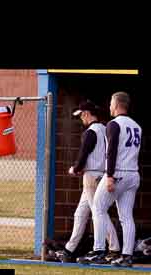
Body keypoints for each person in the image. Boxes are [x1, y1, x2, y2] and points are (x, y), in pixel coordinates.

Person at [53, 100, 117, 263]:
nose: (81, 118)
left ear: (87, 114)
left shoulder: (90, 131)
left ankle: (114, 248)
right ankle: (69, 249)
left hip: (92, 177)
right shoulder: (105, 128)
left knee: (99, 212)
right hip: (100, 174)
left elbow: (83, 155)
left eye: (82, 115)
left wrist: (75, 168)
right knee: (80, 213)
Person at [87, 91, 142, 267]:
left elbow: (111, 152)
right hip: (133, 173)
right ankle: (127, 255)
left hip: (117, 172)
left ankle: (99, 251)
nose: (109, 106)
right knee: (126, 216)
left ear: (117, 104)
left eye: (111, 102)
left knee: (98, 207)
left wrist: (109, 176)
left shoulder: (113, 124)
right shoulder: (137, 126)